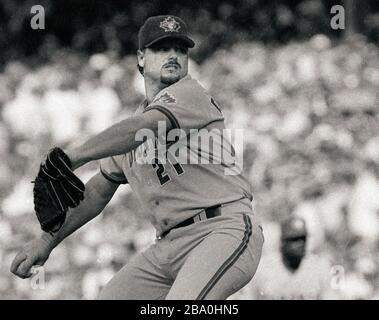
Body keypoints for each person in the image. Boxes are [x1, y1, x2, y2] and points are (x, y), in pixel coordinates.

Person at [10, 15, 264, 300]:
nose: (173, 55)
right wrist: (46, 241)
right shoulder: (130, 130)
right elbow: (97, 191)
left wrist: (74, 156)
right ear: (141, 58)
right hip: (168, 246)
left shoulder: (190, 94)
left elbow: (147, 125)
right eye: (162, 48)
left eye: (180, 49)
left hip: (221, 230)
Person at [235, 216, 334, 299]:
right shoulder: (263, 268)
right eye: (294, 239)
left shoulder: (320, 267)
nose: (300, 244)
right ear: (282, 242)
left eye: (303, 238)